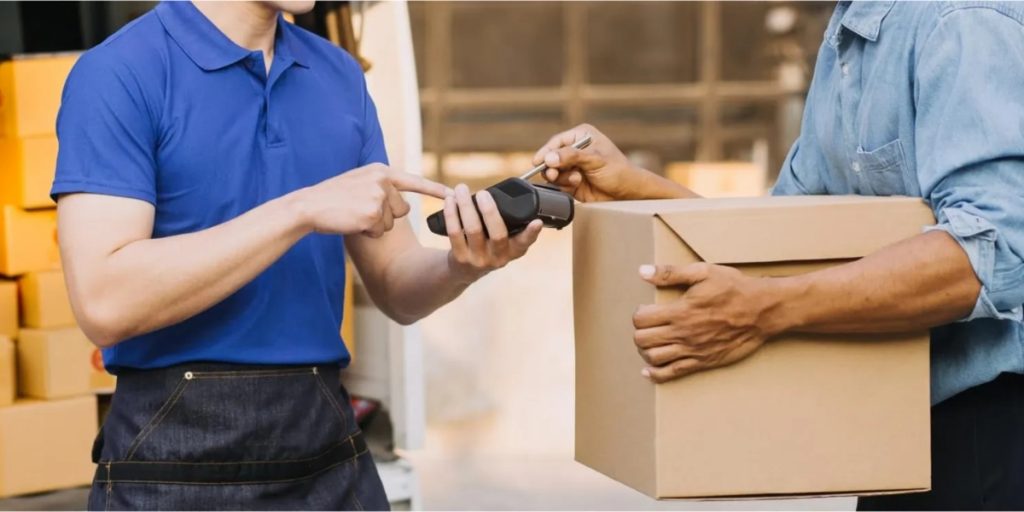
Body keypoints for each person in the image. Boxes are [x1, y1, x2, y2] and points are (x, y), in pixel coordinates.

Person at [534, 2, 1024, 510]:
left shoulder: (962, 21)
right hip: (901, 439)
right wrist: (638, 190)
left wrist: (765, 309)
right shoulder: (850, 29)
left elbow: (994, 255)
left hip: (991, 439)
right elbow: (782, 247)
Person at [53, 1, 542, 510]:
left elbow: (397, 283)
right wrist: (300, 210)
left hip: (325, 445)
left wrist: (461, 265)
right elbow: (104, 303)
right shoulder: (119, 72)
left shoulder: (338, 75)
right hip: (172, 461)